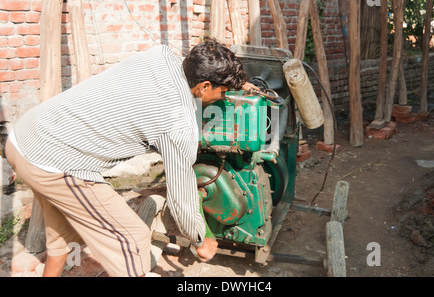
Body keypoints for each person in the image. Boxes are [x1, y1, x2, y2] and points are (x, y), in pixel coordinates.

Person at [5, 39, 251, 277]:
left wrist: (239, 85)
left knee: (63, 227)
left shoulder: (162, 55)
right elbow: (181, 195)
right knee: (132, 238)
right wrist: (200, 238)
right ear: (204, 86)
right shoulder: (177, 124)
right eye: (223, 92)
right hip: (53, 162)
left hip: (24, 137)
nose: (222, 99)